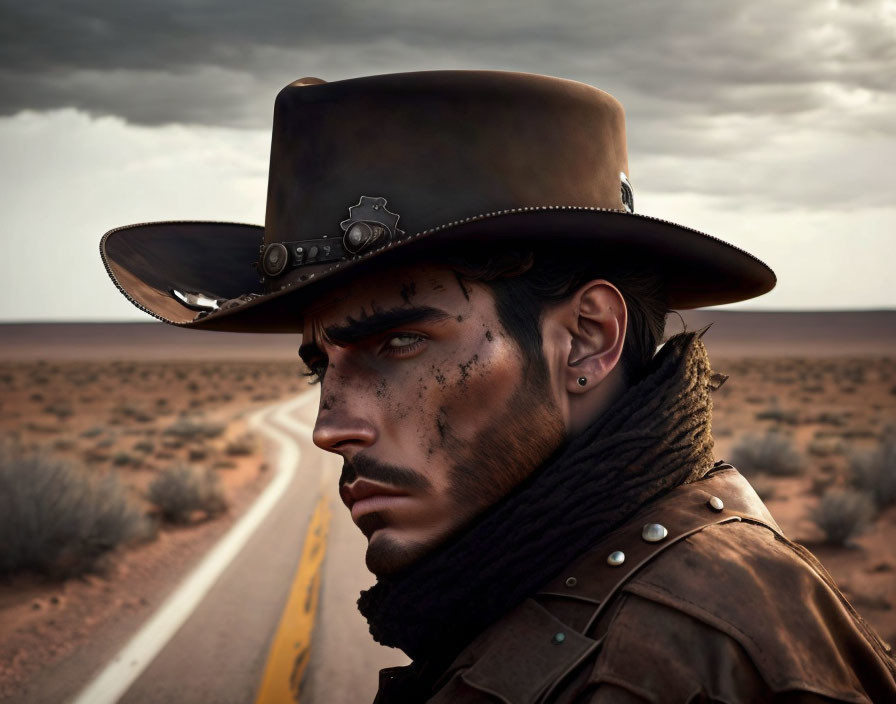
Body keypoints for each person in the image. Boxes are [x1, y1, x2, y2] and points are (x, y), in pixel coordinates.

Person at [101, 71, 896, 702]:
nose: (330, 428)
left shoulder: (687, 658)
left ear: (586, 339)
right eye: (323, 366)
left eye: (399, 343)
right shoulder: (564, 585)